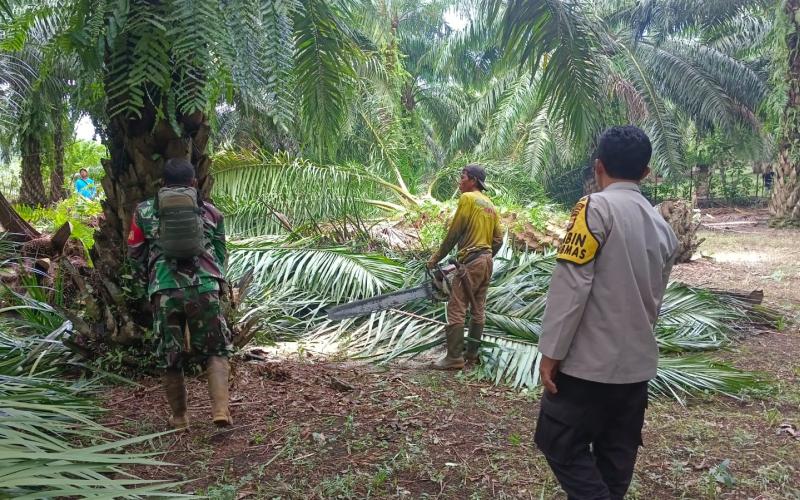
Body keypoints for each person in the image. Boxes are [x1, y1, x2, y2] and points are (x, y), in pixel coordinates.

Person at [534, 125, 678, 500]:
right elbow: (654, 301)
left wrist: (551, 353)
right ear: (645, 173)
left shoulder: (594, 208)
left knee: (558, 443)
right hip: (635, 371)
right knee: (614, 463)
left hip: (586, 368)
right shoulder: (663, 227)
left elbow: (571, 287)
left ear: (598, 167)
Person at [127, 158, 232, 430]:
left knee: (170, 356)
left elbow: (135, 252)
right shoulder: (210, 212)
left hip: (164, 290)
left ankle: (179, 418)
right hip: (205, 288)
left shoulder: (144, 212)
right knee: (216, 351)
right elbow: (220, 254)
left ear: (162, 184)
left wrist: (149, 279)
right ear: (194, 184)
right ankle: (220, 410)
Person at [426, 164, 504, 369]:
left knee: (456, 307)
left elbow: (454, 232)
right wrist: (485, 257)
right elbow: (499, 240)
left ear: (473, 181)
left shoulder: (468, 199)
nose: (459, 181)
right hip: (487, 260)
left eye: (462, 177)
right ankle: (471, 354)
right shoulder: (490, 204)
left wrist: (436, 258)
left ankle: (453, 358)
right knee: (478, 307)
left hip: (471, 260)